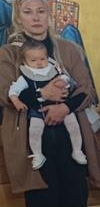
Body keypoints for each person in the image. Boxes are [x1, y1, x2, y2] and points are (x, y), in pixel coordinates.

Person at [0, 0, 100, 207]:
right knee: (43, 205)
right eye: (28, 12)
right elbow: (5, 93)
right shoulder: (8, 53)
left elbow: (86, 89)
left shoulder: (68, 49)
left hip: (69, 137)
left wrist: (64, 108)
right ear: (18, 18)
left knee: (73, 199)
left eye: (41, 11)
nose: (35, 17)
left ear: (49, 15)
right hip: (31, 140)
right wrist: (42, 94)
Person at [8, 39, 86, 169]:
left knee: (73, 125)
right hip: (39, 110)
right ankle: (38, 154)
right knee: (34, 130)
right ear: (25, 61)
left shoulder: (53, 70)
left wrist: (63, 81)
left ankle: (77, 150)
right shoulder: (26, 76)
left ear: (47, 57)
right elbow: (13, 90)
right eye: (33, 60)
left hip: (61, 106)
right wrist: (16, 101)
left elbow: (66, 78)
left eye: (42, 59)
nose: (39, 63)